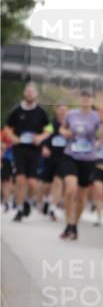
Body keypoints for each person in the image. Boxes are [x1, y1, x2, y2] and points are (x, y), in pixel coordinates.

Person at [59, 91, 103, 240]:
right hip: (70, 156)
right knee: (70, 189)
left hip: (88, 158)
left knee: (81, 194)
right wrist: (65, 133)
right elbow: (62, 128)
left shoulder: (96, 116)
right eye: (83, 97)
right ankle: (68, 222)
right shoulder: (71, 114)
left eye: (88, 97)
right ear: (79, 99)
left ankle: (74, 225)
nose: (85, 100)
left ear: (92, 100)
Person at [6, 84, 50, 221]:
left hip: (34, 151)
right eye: (28, 91)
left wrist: (40, 138)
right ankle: (19, 209)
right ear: (24, 93)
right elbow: (7, 128)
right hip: (19, 150)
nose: (30, 94)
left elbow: (49, 129)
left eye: (32, 92)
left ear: (36, 94)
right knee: (20, 180)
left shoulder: (41, 111)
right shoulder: (16, 110)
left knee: (31, 183)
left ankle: (27, 201)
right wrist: (14, 138)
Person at [40, 102, 69, 221]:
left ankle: (53, 208)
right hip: (50, 157)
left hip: (64, 158)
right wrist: (44, 147)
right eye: (60, 110)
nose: (62, 112)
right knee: (47, 184)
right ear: (56, 111)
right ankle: (46, 200)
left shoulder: (70, 124)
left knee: (58, 181)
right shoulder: (50, 124)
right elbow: (44, 136)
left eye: (64, 110)